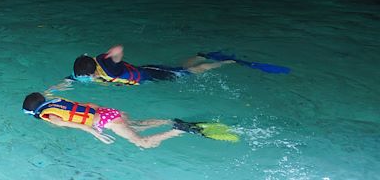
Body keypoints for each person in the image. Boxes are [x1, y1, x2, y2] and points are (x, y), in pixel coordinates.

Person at [22, 92, 213, 148]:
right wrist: (110, 113)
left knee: (143, 143)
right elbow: (89, 104)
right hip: (109, 112)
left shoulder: (49, 116)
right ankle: (171, 120)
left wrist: (94, 132)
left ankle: (180, 129)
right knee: (136, 124)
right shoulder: (58, 101)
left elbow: (66, 123)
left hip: (107, 122)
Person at [71, 44, 234, 85]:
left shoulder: (111, 68)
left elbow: (119, 48)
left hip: (150, 73)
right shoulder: (95, 63)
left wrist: (109, 54)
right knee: (181, 68)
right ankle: (200, 55)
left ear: (92, 73)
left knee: (187, 73)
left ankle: (223, 62)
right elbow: (73, 77)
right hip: (145, 71)